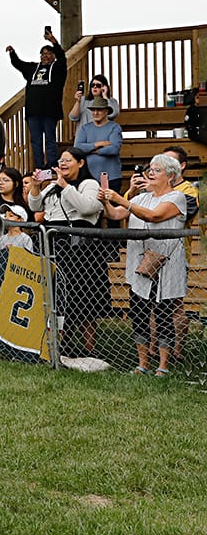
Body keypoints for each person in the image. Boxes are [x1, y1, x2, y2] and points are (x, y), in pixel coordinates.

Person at [99, 153, 187, 376]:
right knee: (138, 313)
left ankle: (163, 365)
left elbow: (154, 216)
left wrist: (121, 199)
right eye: (150, 169)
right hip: (139, 265)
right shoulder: (139, 198)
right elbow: (116, 214)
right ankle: (142, 363)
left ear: (170, 175)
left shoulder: (177, 198)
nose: (150, 173)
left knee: (164, 313)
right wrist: (106, 202)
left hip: (165, 266)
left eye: (157, 170)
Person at [26, 147, 105, 355]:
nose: (62, 163)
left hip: (80, 247)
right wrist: (35, 187)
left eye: (68, 160)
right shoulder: (52, 186)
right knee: (58, 297)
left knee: (84, 297)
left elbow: (87, 208)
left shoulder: (89, 184)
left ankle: (90, 351)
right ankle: (62, 345)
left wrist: (65, 185)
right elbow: (35, 207)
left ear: (81, 163)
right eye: (60, 160)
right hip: (55, 244)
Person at [8, 28, 67, 169]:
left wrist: (53, 42)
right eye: (43, 54)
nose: (45, 56)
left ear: (53, 55)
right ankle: (39, 166)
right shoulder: (33, 68)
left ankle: (52, 165)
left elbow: (62, 57)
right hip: (33, 112)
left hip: (50, 112)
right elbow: (19, 64)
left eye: (48, 53)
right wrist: (12, 53)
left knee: (50, 140)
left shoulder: (58, 68)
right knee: (36, 141)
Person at [73, 96, 123, 195]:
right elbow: (78, 147)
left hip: (111, 177)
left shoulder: (114, 127)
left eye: (99, 110)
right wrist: (98, 144)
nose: (95, 113)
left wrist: (93, 150)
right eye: (93, 110)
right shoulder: (85, 128)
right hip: (88, 177)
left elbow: (114, 149)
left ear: (106, 112)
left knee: (111, 208)